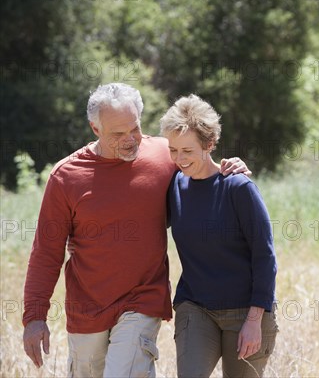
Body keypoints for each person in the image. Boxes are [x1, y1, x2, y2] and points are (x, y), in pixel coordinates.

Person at [22, 83, 250, 377]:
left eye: (135, 129)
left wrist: (230, 167)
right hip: (87, 309)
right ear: (95, 129)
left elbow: (200, 168)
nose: (130, 140)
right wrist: (34, 317)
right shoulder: (66, 177)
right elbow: (46, 253)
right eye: (118, 134)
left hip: (142, 299)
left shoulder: (162, 155)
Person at [160, 94, 278, 378]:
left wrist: (254, 321)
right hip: (195, 306)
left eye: (187, 151)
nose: (179, 159)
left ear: (209, 145)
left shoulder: (238, 187)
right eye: (173, 150)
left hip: (246, 310)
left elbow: (265, 257)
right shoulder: (174, 184)